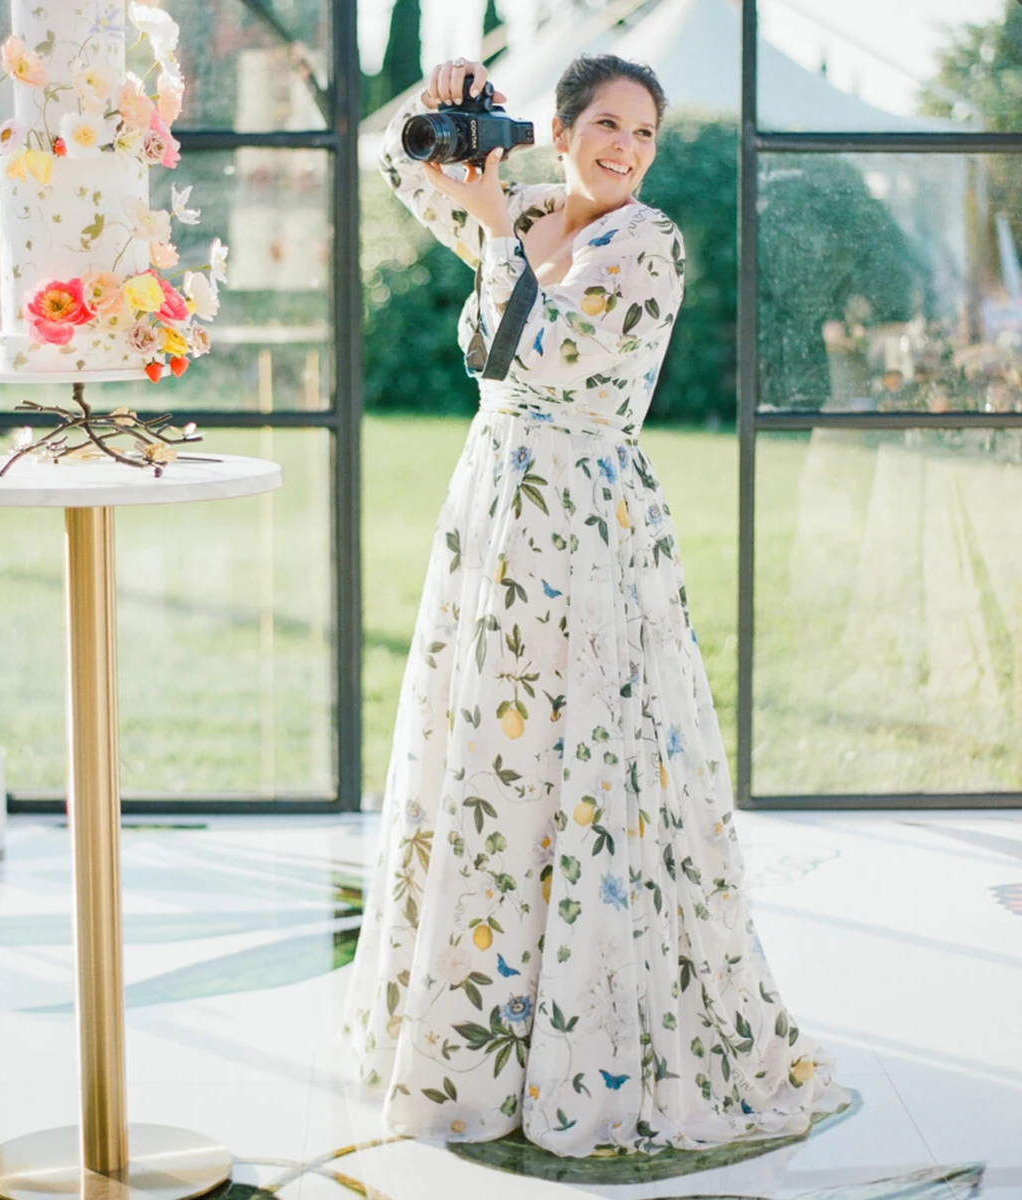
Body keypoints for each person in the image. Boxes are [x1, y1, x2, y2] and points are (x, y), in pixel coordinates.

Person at [342, 53, 850, 1157]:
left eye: (645, 133)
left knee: (588, 752)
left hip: (585, 517)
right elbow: (400, 171)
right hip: (497, 507)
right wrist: (447, 109)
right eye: (607, 126)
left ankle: (594, 1041)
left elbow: (554, 349)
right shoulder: (522, 201)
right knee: (489, 755)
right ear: (560, 131)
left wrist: (491, 227)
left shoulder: (649, 244)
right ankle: (482, 1042)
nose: (626, 149)